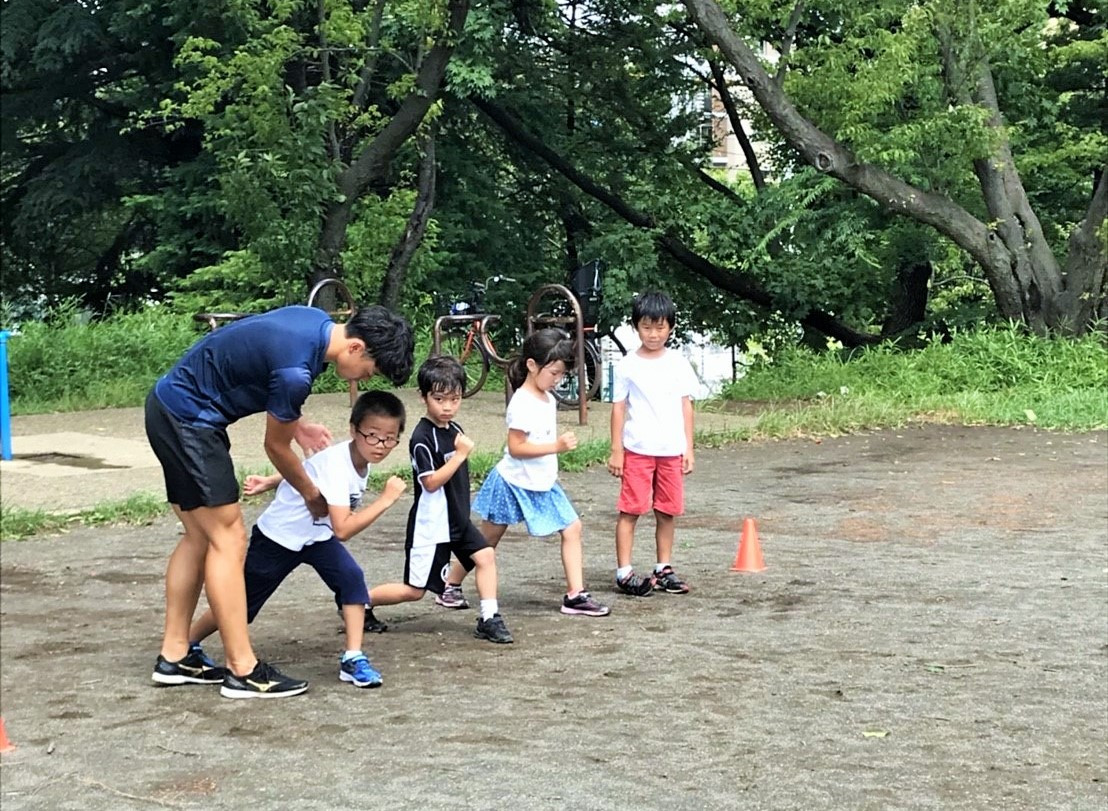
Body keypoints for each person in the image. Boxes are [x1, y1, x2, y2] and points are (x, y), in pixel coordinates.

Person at [146, 304, 414, 699]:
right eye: (370, 370)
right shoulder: (297, 373)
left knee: (199, 537)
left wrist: (297, 425)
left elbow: (260, 368)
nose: (364, 379)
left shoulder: (314, 322)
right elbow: (275, 446)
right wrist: (310, 493)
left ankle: (175, 655)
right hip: (190, 423)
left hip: (168, 408)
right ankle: (243, 669)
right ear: (356, 348)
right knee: (229, 538)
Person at [184, 391, 408, 689]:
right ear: (354, 430)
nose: (380, 445)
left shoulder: (357, 458)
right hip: (278, 538)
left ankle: (353, 657)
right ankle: (186, 644)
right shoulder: (338, 464)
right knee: (241, 604)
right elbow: (343, 529)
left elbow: (309, 470)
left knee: (351, 578)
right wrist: (386, 500)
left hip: (317, 537)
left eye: (390, 439)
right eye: (372, 435)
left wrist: (271, 481)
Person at [446, 329, 610, 617]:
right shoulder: (522, 402)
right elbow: (516, 447)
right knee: (486, 542)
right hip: (512, 482)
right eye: (554, 373)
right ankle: (450, 584)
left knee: (572, 527)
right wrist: (556, 446)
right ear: (532, 365)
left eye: (562, 374)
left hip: (541, 482)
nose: (558, 379)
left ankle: (576, 594)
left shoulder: (547, 398)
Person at [368, 356, 513, 644]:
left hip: (457, 520)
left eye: (454, 399)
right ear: (423, 397)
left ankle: (489, 618)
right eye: (439, 399)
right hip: (432, 525)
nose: (447, 407)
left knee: (485, 556)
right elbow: (430, 482)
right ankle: (358, 601)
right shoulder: (422, 437)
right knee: (414, 591)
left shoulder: (455, 430)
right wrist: (459, 456)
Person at [607, 291, 697, 596]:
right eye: (647, 327)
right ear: (636, 326)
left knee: (667, 511)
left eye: (660, 327)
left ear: (670, 327)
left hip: (671, 451)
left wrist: (689, 447)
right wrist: (617, 450)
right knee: (630, 510)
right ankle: (624, 572)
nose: (654, 334)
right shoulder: (627, 365)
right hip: (637, 450)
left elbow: (686, 406)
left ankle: (663, 568)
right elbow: (618, 408)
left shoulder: (678, 363)